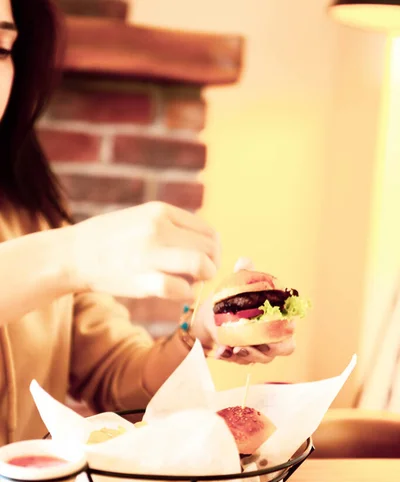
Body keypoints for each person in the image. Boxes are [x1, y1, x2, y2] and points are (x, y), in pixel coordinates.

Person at [0, 0, 295, 446]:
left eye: (1, 49)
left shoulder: (29, 214)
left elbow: (118, 377)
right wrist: (72, 255)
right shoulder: (59, 250)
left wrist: (196, 334)